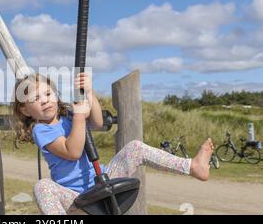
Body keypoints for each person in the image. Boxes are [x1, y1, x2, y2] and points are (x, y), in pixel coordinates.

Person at [12, 73, 214, 215]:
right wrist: (80, 118)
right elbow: (72, 152)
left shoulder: (70, 115)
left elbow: (98, 122)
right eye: (36, 98)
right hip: (75, 198)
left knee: (135, 147)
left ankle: (192, 167)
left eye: (48, 94)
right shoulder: (41, 130)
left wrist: (89, 93)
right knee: (43, 186)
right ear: (25, 110)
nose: (45, 100)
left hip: (103, 181)